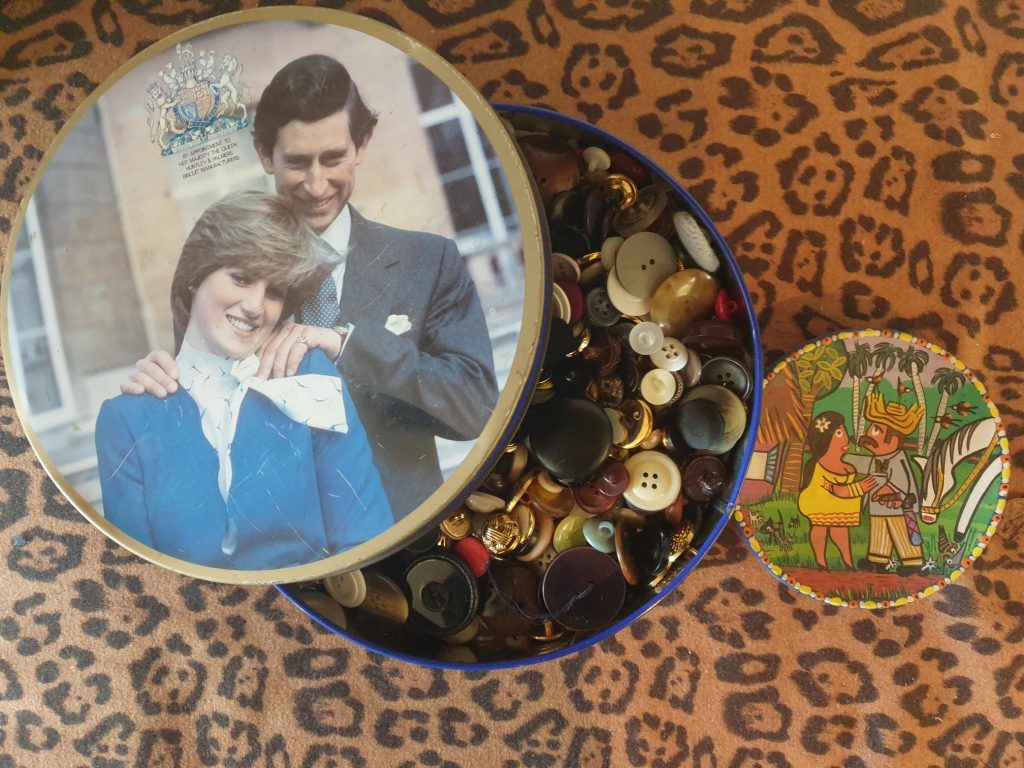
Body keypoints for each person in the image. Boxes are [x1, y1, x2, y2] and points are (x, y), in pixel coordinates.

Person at [122, 54, 498, 521]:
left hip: (402, 530)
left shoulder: (429, 261)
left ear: (362, 144)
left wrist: (348, 345)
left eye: (333, 158)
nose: (317, 184)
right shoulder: (222, 269)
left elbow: (477, 409)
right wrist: (158, 384)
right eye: (297, 162)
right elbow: (198, 408)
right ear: (264, 155)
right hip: (275, 541)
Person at [96, 190, 391, 570]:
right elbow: (139, 582)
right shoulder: (127, 419)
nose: (255, 306)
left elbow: (365, 539)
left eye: (274, 292)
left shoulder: (307, 375)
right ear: (194, 277)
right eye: (241, 278)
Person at [845, 393, 926, 576]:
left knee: (902, 532)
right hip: (878, 507)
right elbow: (862, 464)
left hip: (898, 508)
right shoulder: (878, 458)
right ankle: (877, 560)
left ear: (895, 440)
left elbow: (903, 482)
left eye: (876, 431)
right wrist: (842, 457)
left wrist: (890, 489)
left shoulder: (898, 459)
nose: (868, 435)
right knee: (880, 533)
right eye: (871, 429)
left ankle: (912, 562)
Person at [796, 411, 877, 569]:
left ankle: (847, 561)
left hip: (839, 507)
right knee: (820, 526)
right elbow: (837, 490)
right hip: (819, 504)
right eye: (839, 433)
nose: (846, 438)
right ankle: (820, 561)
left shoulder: (848, 468)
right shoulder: (819, 466)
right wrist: (860, 487)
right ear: (825, 440)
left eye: (844, 431)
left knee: (840, 530)